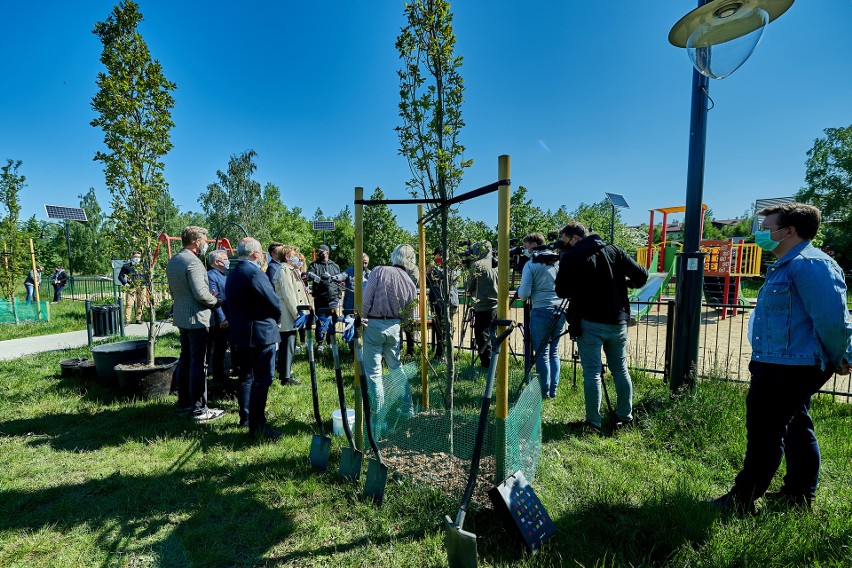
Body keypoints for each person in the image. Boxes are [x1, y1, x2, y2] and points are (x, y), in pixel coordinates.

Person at [712, 203, 852, 515]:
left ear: (788, 231)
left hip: (794, 365)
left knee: (765, 429)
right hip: (777, 361)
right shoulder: (786, 265)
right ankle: (798, 496)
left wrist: (840, 356)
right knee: (796, 426)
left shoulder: (811, 264)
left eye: (767, 227)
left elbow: (832, 320)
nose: (761, 234)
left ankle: (742, 499)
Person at [555, 221, 648, 433]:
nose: (563, 245)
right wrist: (622, 283)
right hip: (617, 322)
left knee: (592, 373)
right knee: (620, 370)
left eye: (565, 241)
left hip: (589, 322)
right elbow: (641, 276)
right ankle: (625, 417)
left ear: (575, 238)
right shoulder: (613, 250)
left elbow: (561, 291)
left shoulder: (572, 257)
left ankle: (593, 423)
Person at [226, 237, 283, 440]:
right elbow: (274, 302)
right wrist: (276, 319)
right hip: (260, 335)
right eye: (262, 253)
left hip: (240, 334)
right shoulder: (254, 274)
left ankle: (246, 418)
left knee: (246, 378)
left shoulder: (232, 274)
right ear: (256, 254)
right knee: (262, 380)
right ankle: (258, 427)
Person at [166, 227, 225, 421]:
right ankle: (200, 408)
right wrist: (216, 301)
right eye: (204, 240)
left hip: (182, 317)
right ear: (196, 241)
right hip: (198, 319)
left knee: (185, 360)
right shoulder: (194, 262)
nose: (206, 244)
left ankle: (184, 404)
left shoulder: (174, 260)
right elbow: (201, 294)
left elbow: (174, 291)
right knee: (199, 363)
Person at [361, 244, 418, 433]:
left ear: (395, 256)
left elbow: (367, 298)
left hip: (374, 325)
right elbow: (410, 311)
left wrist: (362, 317)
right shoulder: (410, 282)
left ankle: (379, 420)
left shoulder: (379, 271)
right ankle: (408, 407)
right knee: (396, 368)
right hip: (394, 326)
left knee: (374, 373)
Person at [517, 232, 565, 399]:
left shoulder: (531, 264)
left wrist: (518, 291)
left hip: (541, 310)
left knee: (542, 353)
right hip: (560, 310)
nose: (525, 250)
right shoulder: (558, 261)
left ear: (534, 245)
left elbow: (524, 293)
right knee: (553, 351)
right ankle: (553, 390)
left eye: (526, 246)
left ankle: (544, 392)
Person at [273, 245, 309, 386]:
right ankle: (285, 377)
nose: (296, 256)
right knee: (287, 343)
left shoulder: (290, 269)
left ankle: (285, 372)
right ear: (287, 257)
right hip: (288, 313)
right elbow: (289, 294)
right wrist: (297, 313)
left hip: (291, 312)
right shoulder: (284, 270)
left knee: (289, 343)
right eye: (293, 254)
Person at [465, 241, 498, 368]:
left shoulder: (477, 265)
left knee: (482, 337)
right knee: (495, 335)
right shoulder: (498, 262)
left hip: (483, 306)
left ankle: (487, 365)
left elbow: (468, 286)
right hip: (497, 305)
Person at [306, 244, 341, 350]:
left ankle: (330, 342)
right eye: (318, 252)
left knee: (332, 321)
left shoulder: (334, 266)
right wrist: (319, 278)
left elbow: (339, 281)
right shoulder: (314, 265)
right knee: (320, 321)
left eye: (321, 252)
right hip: (320, 298)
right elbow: (309, 275)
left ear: (327, 252)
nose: (319, 253)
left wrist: (338, 296)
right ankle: (320, 344)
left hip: (333, 298)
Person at [426, 247, 459, 360]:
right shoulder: (435, 268)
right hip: (436, 302)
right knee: (439, 330)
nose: (438, 259)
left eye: (439, 257)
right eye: (436, 258)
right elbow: (428, 283)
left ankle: (445, 355)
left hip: (448, 302)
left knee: (445, 330)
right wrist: (428, 273)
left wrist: (434, 270)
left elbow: (449, 278)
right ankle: (439, 354)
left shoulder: (453, 266)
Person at [206, 249, 230, 387]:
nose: (227, 261)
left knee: (223, 346)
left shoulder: (223, 275)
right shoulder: (211, 276)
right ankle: (218, 374)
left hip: (228, 316)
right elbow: (215, 299)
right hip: (219, 319)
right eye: (225, 258)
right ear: (216, 261)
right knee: (219, 347)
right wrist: (222, 319)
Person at [118, 251, 147, 324]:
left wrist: (146, 283)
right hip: (131, 287)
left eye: (138, 257)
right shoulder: (127, 266)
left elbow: (147, 274)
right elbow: (120, 276)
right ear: (132, 257)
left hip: (142, 286)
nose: (137, 258)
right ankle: (127, 320)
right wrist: (125, 283)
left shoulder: (143, 265)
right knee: (129, 303)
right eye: (135, 257)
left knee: (140, 303)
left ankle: (138, 318)